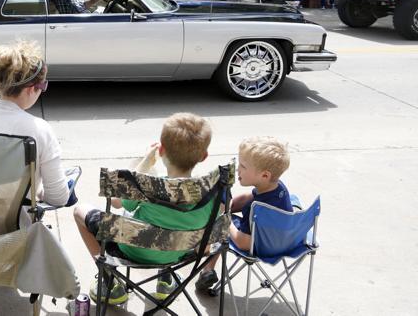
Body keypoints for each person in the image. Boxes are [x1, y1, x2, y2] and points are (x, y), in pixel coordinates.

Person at [74, 113, 214, 304]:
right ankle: (166, 278)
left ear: (162, 150)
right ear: (204, 156)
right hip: (180, 252)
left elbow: (115, 201)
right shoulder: (212, 191)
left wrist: (146, 163)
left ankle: (110, 281)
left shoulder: (149, 187)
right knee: (173, 226)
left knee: (80, 211)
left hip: (134, 250)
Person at [0, 41, 70, 208]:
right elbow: (59, 198)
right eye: (43, 85)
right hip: (16, 229)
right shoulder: (39, 129)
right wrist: (37, 191)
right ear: (31, 89)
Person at [196, 136, 292, 292]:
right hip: (279, 237)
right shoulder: (275, 188)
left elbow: (243, 242)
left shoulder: (262, 211)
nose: (237, 169)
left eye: (243, 166)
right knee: (223, 204)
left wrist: (225, 219)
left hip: (260, 244)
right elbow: (248, 198)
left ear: (264, 175)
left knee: (218, 226)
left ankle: (207, 268)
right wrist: (229, 206)